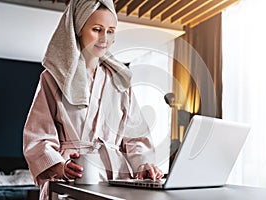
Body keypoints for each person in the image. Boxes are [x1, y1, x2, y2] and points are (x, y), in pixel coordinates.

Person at [23, 0, 163, 199]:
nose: (104, 38)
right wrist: (61, 167)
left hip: (114, 182)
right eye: (97, 29)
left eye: (111, 31)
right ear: (79, 29)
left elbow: (136, 137)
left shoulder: (120, 80)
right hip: (71, 180)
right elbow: (38, 137)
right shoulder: (52, 78)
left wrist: (143, 164)